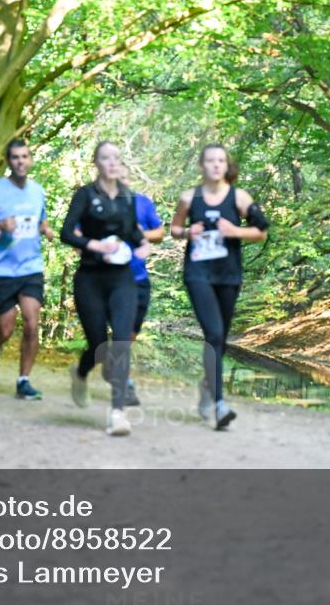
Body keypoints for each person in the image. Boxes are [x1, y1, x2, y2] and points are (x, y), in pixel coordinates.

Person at [169, 144, 268, 429]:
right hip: (198, 273)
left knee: (221, 339)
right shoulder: (189, 198)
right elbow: (175, 229)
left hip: (228, 275)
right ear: (202, 165)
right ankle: (219, 404)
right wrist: (188, 231)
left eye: (220, 161)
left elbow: (261, 231)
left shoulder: (239, 198)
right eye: (210, 160)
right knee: (212, 333)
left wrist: (235, 231)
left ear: (226, 166)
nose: (215, 165)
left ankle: (206, 386)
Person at [60, 141, 150, 437]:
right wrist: (94, 244)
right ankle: (81, 372)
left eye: (115, 158)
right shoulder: (85, 195)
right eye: (105, 158)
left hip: (122, 279)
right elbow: (66, 232)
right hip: (90, 278)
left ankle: (117, 414)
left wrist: (143, 244)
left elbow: (131, 231)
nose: (111, 162)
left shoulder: (126, 197)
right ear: (96, 163)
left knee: (121, 341)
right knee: (98, 346)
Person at [0, 139, 56, 400]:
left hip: (31, 266)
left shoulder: (38, 191)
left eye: (25, 156)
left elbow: (41, 219)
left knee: (32, 324)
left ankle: (24, 380)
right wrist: (0, 225)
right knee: (5, 327)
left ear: (30, 159)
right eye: (15, 157)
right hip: (1, 269)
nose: (20, 161)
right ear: (9, 161)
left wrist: (46, 229)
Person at [118, 164, 164, 407]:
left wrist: (140, 234)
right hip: (110, 279)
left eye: (125, 177)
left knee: (130, 333)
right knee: (122, 331)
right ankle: (123, 382)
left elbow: (160, 233)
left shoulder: (143, 203)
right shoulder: (99, 204)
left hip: (138, 279)